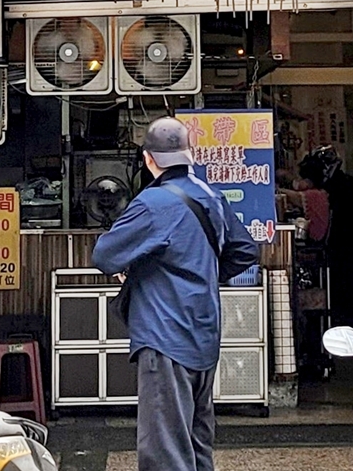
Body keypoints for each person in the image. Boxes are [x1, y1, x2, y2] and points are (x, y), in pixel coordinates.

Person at [93, 117, 259, 471]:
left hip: (165, 338)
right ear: (189, 155)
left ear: (148, 159)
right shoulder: (211, 196)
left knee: (165, 451)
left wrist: (143, 268)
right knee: (198, 446)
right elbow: (246, 251)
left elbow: (105, 256)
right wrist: (202, 274)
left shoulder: (151, 203)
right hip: (204, 336)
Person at [302, 146, 353, 327]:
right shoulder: (351, 183)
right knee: (349, 281)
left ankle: (336, 325)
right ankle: (350, 324)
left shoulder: (326, 189)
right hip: (351, 239)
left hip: (336, 243)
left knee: (337, 284)